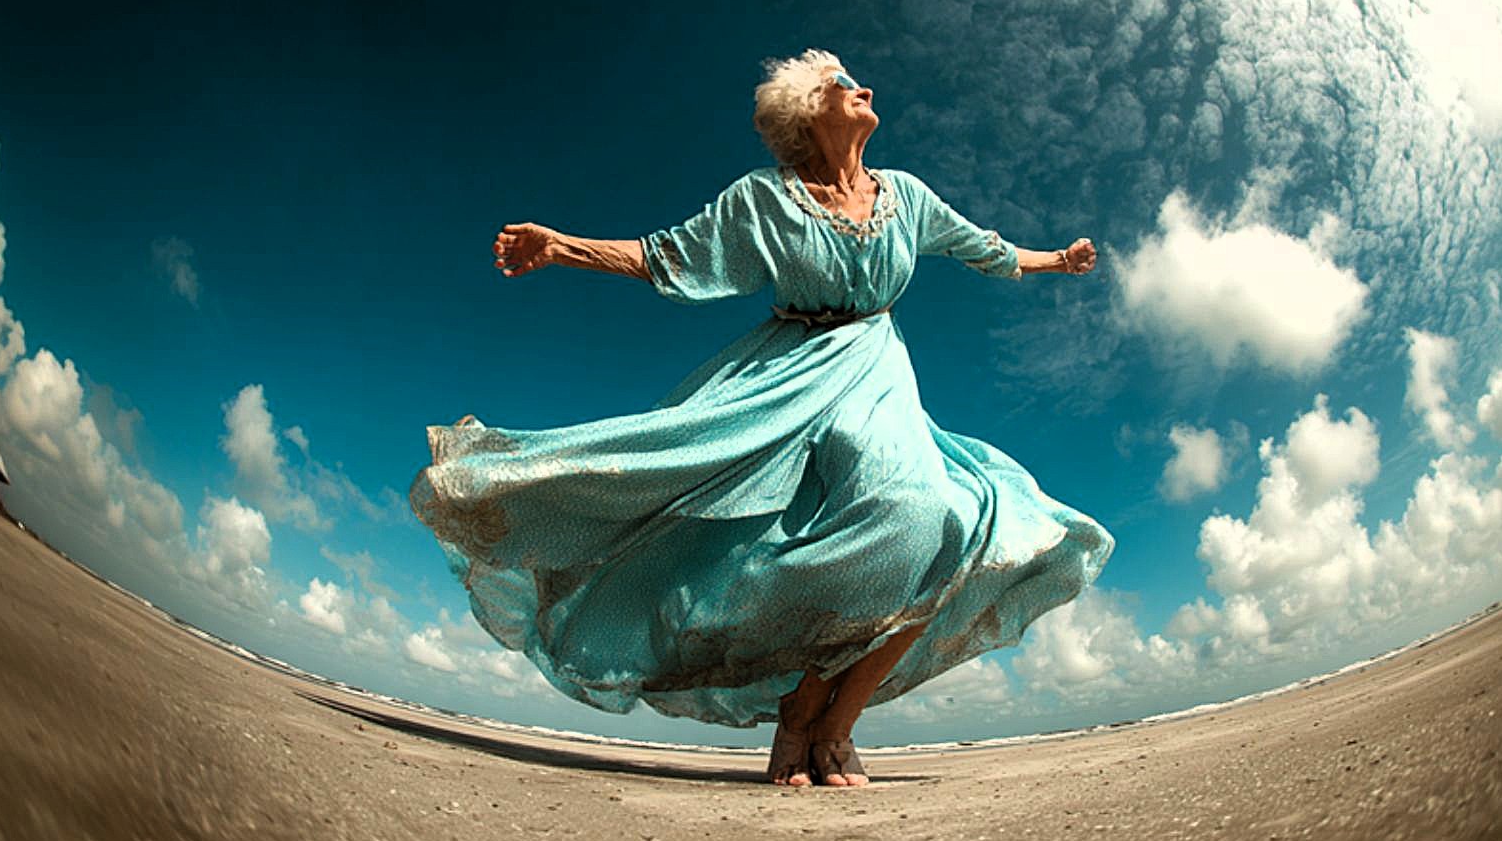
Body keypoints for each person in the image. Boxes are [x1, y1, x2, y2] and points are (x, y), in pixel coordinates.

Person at [410, 49, 1112, 788]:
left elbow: (985, 248)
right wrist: (561, 246)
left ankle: (827, 721)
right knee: (700, 489)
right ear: (809, 108)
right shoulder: (764, 199)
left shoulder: (906, 194)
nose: (864, 87)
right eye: (845, 83)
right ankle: (795, 703)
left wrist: (1057, 261)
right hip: (785, 376)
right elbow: (665, 256)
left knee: (939, 520)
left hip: (876, 375)